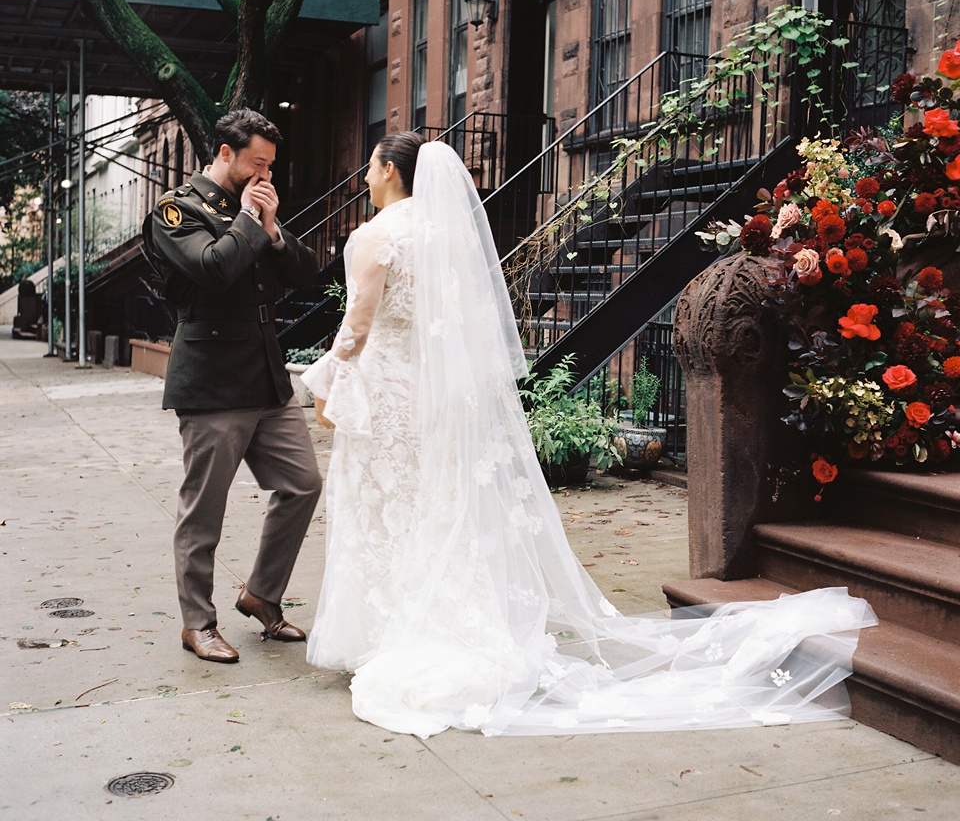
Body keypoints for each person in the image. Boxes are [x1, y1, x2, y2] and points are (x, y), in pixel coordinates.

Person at [301, 134, 876, 738]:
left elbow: (355, 326)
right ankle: (437, 619)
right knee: (431, 505)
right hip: (437, 402)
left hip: (390, 398)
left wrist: (327, 384)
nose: (364, 177)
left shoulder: (374, 236)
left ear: (390, 170)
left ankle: (392, 631)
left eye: (369, 166)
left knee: (387, 507)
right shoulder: (447, 237)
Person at [143, 108, 323, 663]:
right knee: (205, 509)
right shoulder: (177, 210)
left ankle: (262, 595)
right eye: (257, 163)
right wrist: (249, 220)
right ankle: (197, 623)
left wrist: (272, 233)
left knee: (303, 483)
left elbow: (308, 274)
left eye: (271, 164)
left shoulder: (254, 210)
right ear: (226, 154)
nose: (266, 175)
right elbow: (215, 269)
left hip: (267, 379)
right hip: (213, 382)